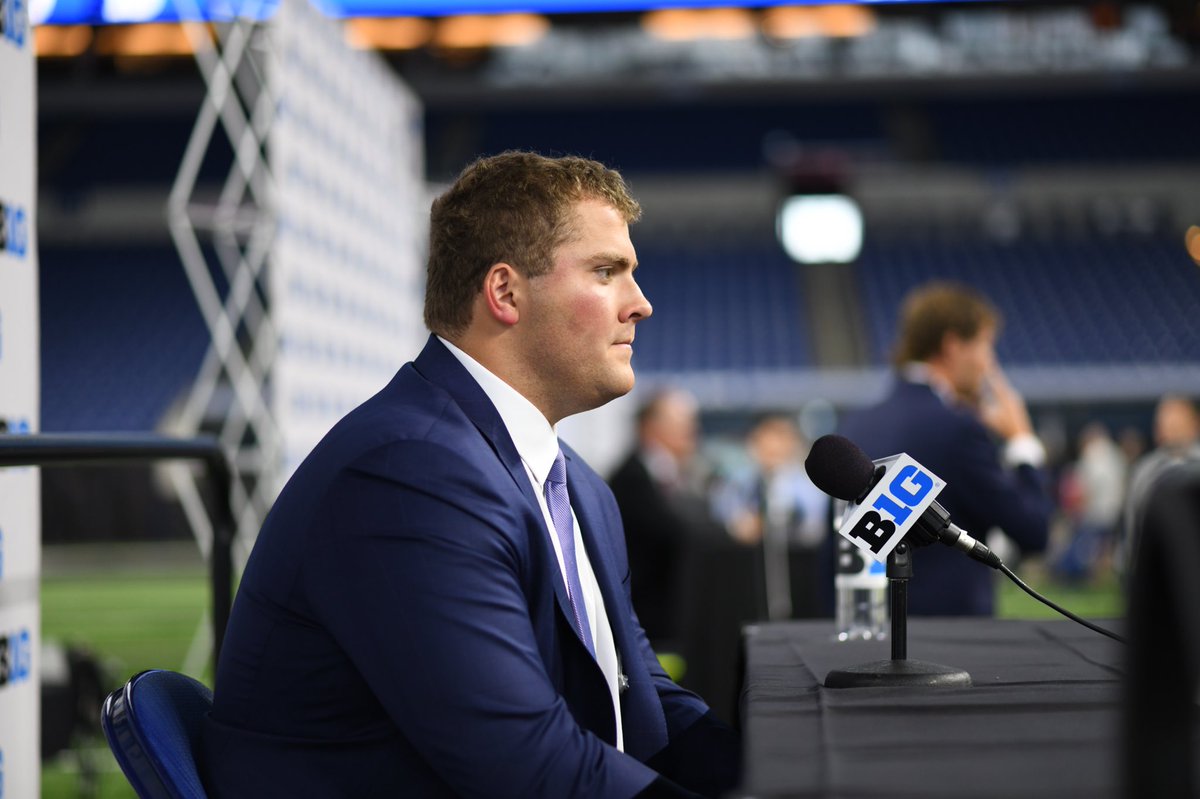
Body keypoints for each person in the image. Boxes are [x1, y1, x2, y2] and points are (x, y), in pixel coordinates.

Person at [202, 152, 740, 798]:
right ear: (505, 293)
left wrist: (773, 773)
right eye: (606, 272)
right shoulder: (409, 473)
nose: (641, 304)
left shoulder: (574, 485)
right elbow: (526, 763)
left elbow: (639, 696)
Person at [839, 282, 1051, 616]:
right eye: (985, 345)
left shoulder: (854, 424)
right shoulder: (958, 428)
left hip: (867, 631)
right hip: (951, 640)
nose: (988, 363)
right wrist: (1022, 441)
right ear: (953, 345)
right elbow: (1033, 530)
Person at [608, 388, 718, 651]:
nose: (692, 431)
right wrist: (730, 529)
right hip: (647, 618)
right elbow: (674, 530)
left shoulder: (677, 471)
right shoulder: (631, 477)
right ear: (651, 427)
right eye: (682, 423)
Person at [710, 413, 829, 620]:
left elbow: (812, 525)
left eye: (779, 441)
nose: (770, 450)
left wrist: (772, 521)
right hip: (749, 578)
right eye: (763, 442)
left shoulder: (808, 485)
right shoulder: (739, 482)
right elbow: (723, 514)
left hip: (797, 577)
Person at [1120, 394, 1200, 578]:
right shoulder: (1146, 470)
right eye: (1163, 422)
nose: (1167, 428)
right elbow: (1134, 521)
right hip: (1157, 568)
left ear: (1193, 423)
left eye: (1175, 422)